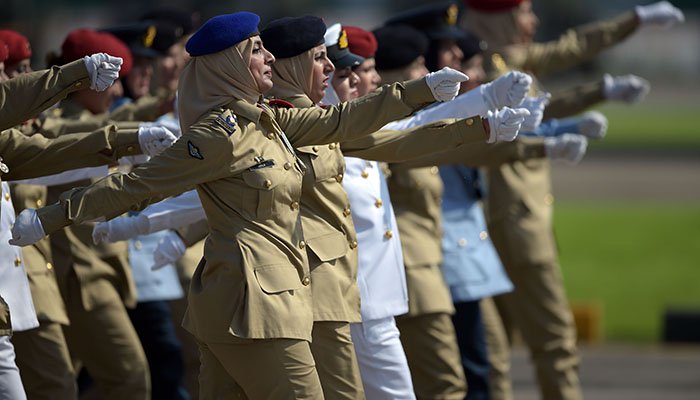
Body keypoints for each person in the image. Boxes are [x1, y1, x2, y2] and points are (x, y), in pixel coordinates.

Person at [10, 11, 471, 398]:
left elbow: (345, 120)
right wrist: (50, 218)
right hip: (257, 309)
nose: (268, 55)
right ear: (228, 63)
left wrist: (418, 92)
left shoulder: (270, 120)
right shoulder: (220, 134)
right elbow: (138, 185)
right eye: (255, 50)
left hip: (255, 305)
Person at [462, 1, 684, 399]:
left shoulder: (497, 62)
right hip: (517, 223)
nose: (533, 21)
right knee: (555, 342)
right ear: (501, 18)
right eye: (524, 13)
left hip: (490, 224)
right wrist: (597, 94)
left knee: (495, 348)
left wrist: (632, 26)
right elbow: (558, 77)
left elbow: (572, 47)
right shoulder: (499, 69)